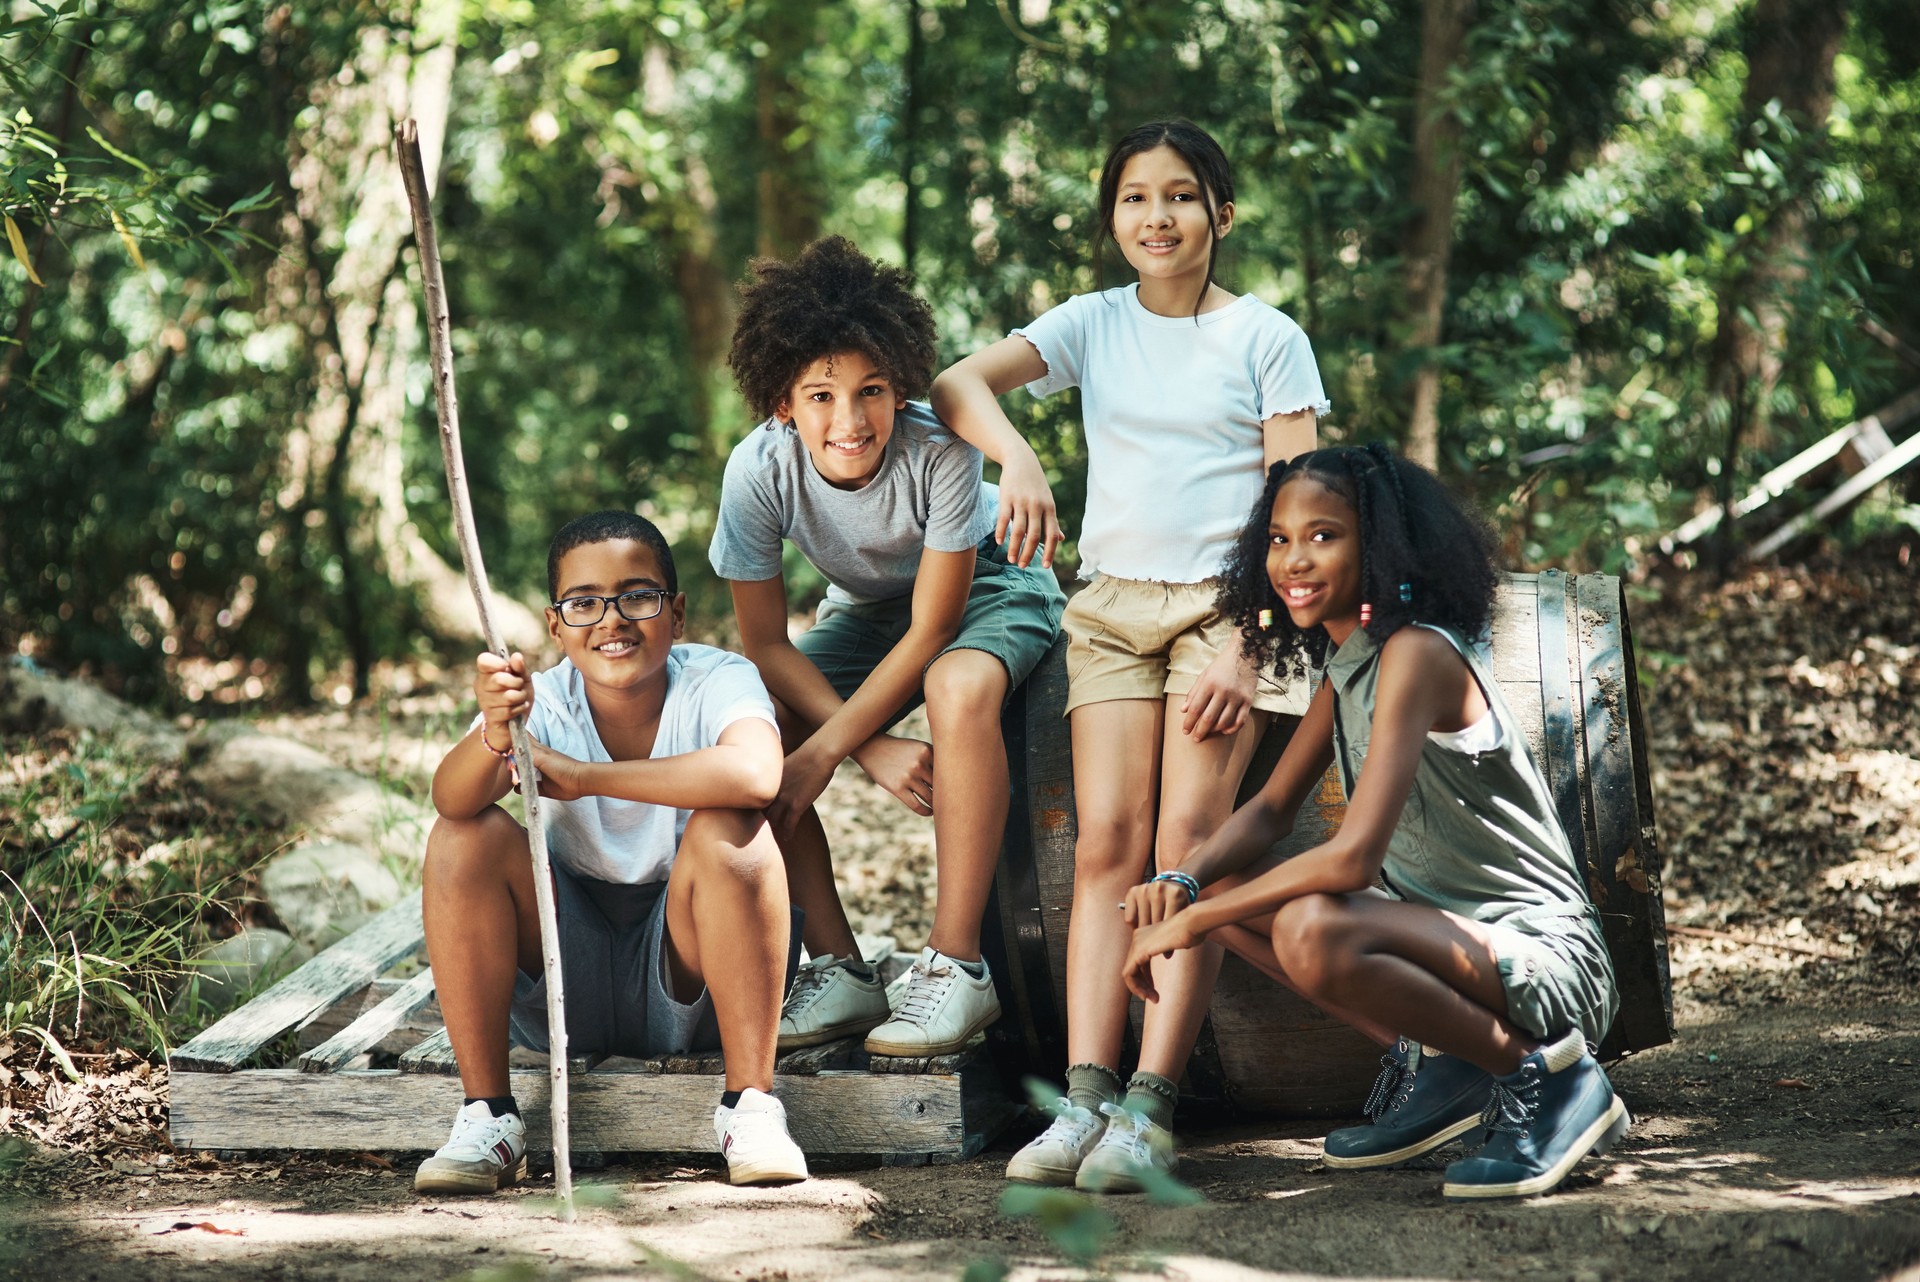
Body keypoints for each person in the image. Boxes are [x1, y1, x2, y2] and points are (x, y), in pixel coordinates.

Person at [930, 120, 1327, 1190]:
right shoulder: (1092, 323)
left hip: (1224, 612)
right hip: (1109, 608)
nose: (1159, 217)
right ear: (1112, 219)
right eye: (1136, 199)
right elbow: (957, 384)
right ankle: (1085, 1096)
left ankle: (1151, 1109)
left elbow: (1298, 507)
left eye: (1183, 196)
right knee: (1104, 843)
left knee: (1180, 851)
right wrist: (1016, 458)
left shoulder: (1267, 336)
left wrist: (1252, 645)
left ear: (1222, 214)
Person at [1120, 445, 1627, 1201]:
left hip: (1543, 958)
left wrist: (1187, 926)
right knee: (1220, 884)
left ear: (1380, 546)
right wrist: (1182, 882)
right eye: (1281, 538)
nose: (1295, 558)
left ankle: (1550, 1078)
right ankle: (1447, 1067)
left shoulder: (1416, 654)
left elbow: (1353, 859)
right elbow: (1268, 811)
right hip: (1449, 947)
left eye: (1325, 536)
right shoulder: (1345, 665)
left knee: (1311, 930)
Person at [710, 236, 1066, 1060]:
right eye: (821, 394)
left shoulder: (938, 450)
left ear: (900, 385)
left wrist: (836, 748)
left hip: (994, 584)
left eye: (871, 391)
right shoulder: (757, 471)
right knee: (757, 727)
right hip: (867, 609)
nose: (850, 419)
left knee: (958, 687)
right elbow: (764, 642)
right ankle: (840, 968)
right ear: (781, 404)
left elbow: (937, 628)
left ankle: (958, 966)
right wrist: (863, 747)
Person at [414, 510, 808, 1193]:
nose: (613, 619)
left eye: (638, 596)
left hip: (691, 968)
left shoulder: (718, 679)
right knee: (463, 836)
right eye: (584, 602)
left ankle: (751, 1107)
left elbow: (755, 775)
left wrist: (584, 777)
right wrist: (495, 733)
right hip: (568, 975)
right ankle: (490, 1115)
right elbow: (450, 798)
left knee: (730, 829)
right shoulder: (542, 700)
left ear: (676, 613)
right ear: (554, 624)